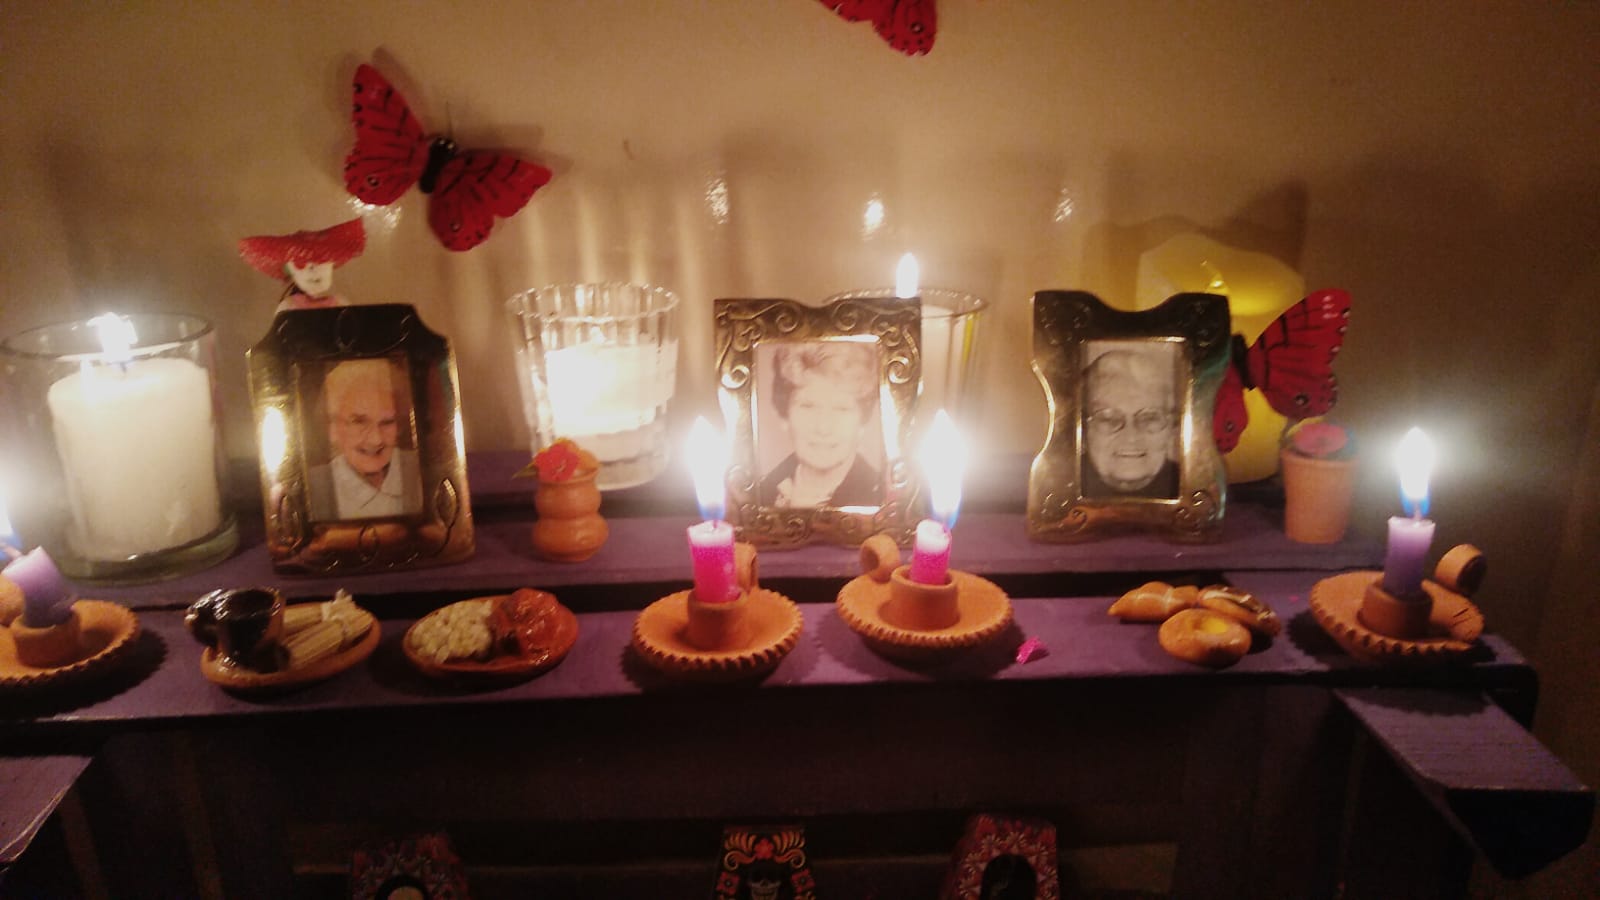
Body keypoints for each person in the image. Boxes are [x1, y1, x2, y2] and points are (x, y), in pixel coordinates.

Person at [757, 341, 883, 508]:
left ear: (862, 422)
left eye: (841, 409)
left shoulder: (881, 499)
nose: (823, 428)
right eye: (808, 406)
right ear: (785, 416)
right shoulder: (760, 495)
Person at [306, 359, 423, 521]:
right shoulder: (311, 489)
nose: (376, 439)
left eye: (388, 422)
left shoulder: (423, 471)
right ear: (332, 428)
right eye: (359, 421)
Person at [1082, 347, 1180, 499]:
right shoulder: (1061, 486)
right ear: (1082, 429)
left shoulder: (1188, 485)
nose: (1131, 437)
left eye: (1150, 418)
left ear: (1171, 429)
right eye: (1108, 418)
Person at [238, 217, 366, 312]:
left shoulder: (340, 303)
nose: (312, 268)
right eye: (301, 263)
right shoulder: (288, 307)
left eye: (320, 261)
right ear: (291, 272)